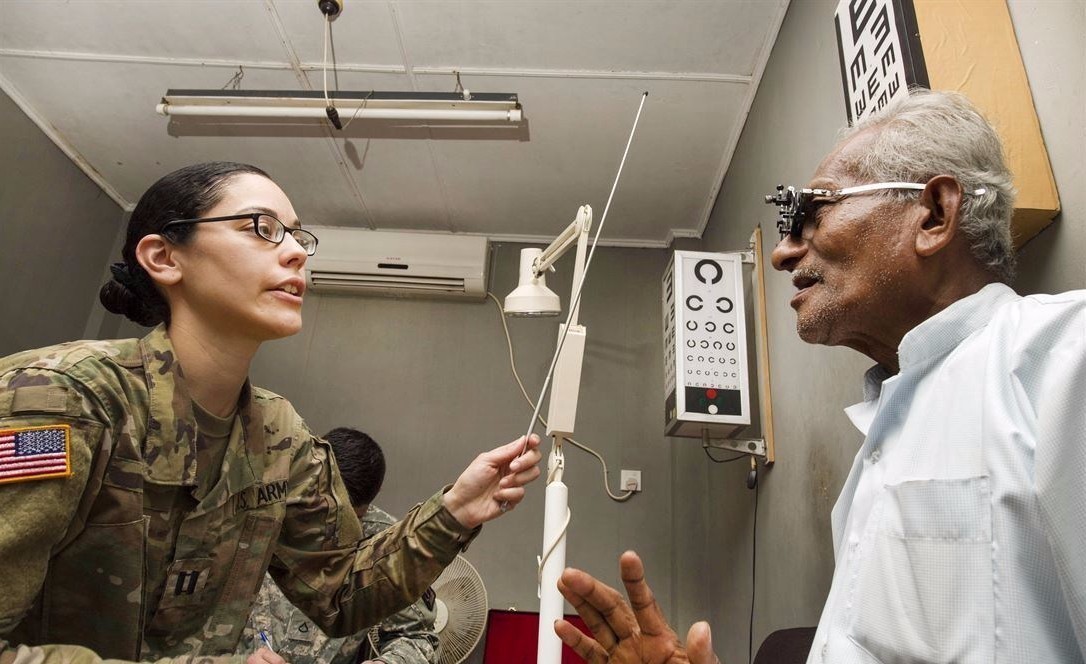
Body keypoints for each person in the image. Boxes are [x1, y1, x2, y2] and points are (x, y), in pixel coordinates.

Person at [554, 88, 1086, 663]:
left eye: (812, 212)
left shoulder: (1058, 356)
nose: (783, 253)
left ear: (933, 214)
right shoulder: (877, 453)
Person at [0, 162, 542, 664]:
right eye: (260, 227)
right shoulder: (60, 400)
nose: (296, 253)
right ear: (165, 257)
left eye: (297, 235)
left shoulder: (280, 436)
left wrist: (455, 512)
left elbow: (340, 594)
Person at [245, 427, 440, 664]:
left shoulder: (389, 544)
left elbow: (417, 638)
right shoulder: (255, 516)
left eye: (348, 518)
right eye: (321, 509)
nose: (330, 527)